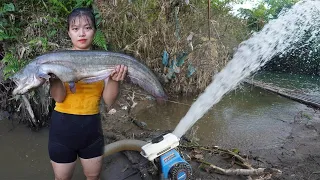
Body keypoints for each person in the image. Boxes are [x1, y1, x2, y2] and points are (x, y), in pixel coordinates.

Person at [48, 7, 128, 180]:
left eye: (87, 27)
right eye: (75, 29)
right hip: (62, 130)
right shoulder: (58, 59)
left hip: (91, 130)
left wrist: (114, 79)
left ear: (94, 31)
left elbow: (108, 100)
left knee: (93, 177)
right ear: (69, 33)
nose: (81, 33)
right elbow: (60, 98)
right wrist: (54, 78)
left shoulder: (105, 60)